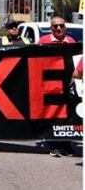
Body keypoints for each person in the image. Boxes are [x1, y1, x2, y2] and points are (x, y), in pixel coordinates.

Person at [38, 16, 76, 157]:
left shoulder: (71, 42)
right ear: (51, 28)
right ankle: (53, 145)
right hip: (50, 86)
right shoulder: (43, 42)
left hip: (68, 86)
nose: (59, 28)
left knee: (68, 116)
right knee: (51, 116)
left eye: (61, 25)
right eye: (55, 26)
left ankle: (66, 144)